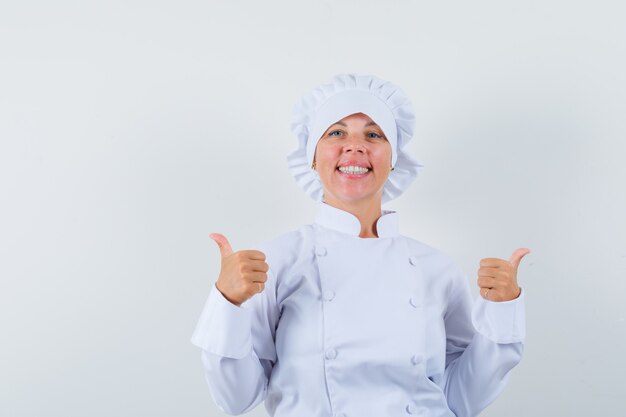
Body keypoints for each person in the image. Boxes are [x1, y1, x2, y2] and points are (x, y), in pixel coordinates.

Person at [190, 73, 529, 417]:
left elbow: (461, 398)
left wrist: (502, 311)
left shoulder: (436, 269)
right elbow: (236, 399)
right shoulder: (276, 261)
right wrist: (227, 303)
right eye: (336, 132)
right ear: (311, 156)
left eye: (373, 134)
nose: (355, 146)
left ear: (393, 157)